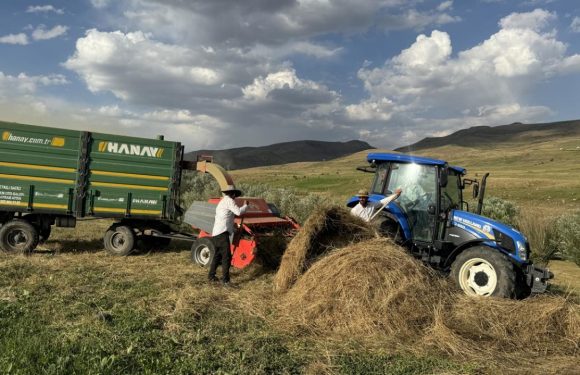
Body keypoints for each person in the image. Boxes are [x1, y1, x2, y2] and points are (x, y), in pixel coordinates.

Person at [209, 185, 249, 285]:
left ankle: (211, 276)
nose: (235, 197)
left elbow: (226, 217)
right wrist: (246, 205)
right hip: (222, 233)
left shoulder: (222, 202)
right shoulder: (229, 201)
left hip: (216, 233)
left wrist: (234, 228)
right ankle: (225, 281)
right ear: (233, 194)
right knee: (227, 257)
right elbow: (239, 212)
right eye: (235, 195)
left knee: (217, 256)